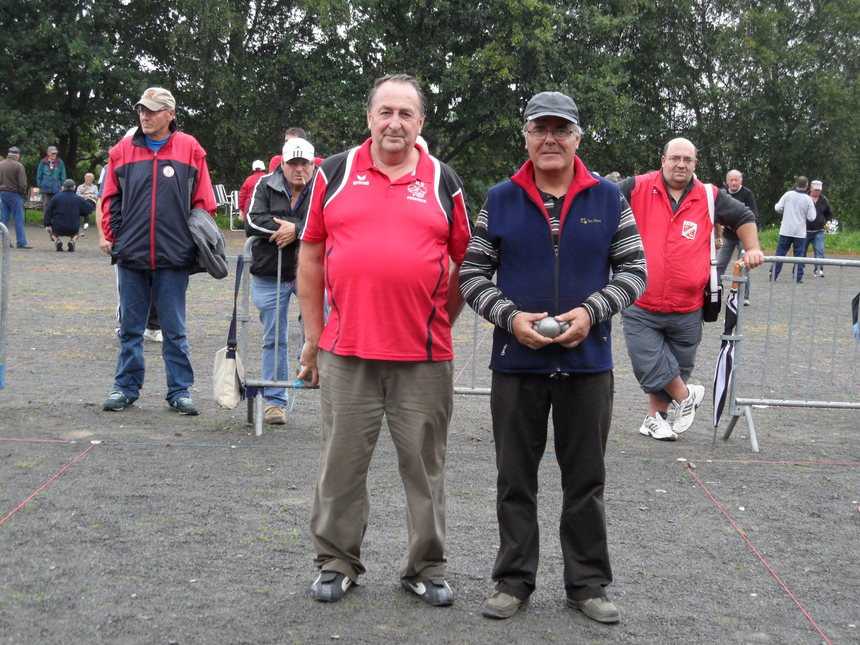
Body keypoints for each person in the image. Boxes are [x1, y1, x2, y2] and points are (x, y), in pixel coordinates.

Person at [459, 91, 647, 624]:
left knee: (585, 481)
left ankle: (587, 584)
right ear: (525, 137)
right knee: (514, 479)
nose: (550, 139)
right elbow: (471, 274)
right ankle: (513, 581)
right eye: (539, 129)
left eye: (560, 130)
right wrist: (511, 317)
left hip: (588, 364)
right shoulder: (499, 198)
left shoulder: (610, 198)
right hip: (517, 365)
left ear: (577, 137)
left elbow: (635, 272)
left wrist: (591, 312)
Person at [297, 74, 472, 606]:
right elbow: (310, 256)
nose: (395, 122)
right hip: (346, 349)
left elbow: (466, 262)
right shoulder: (334, 171)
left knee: (425, 469)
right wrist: (313, 336)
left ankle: (426, 566)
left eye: (407, 114)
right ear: (369, 117)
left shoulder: (444, 180)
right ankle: (337, 561)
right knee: (341, 464)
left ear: (421, 123)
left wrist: (439, 317)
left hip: (422, 356)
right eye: (386, 111)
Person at [619, 138, 764, 441]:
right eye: (675, 158)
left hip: (689, 304)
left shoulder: (710, 196)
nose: (681, 164)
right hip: (642, 300)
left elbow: (744, 217)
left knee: (677, 364)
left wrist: (752, 248)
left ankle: (654, 419)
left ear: (695, 164)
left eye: (688, 159)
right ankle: (687, 397)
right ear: (663, 160)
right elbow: (599, 209)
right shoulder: (636, 187)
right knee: (649, 361)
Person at [100, 87, 216, 415]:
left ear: (170, 114)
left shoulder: (190, 148)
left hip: (173, 256)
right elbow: (110, 198)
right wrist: (116, 237)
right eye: (142, 110)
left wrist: (196, 244)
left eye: (152, 110)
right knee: (130, 328)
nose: (145, 116)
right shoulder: (122, 150)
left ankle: (179, 391)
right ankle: (125, 388)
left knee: (174, 329)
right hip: (131, 255)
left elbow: (204, 202)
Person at [245, 138, 316, 425]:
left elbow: (331, 218)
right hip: (269, 270)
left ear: (313, 164)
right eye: (293, 163)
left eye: (304, 163)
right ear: (282, 164)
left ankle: (315, 371)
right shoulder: (264, 184)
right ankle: (275, 402)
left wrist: (296, 229)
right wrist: (296, 227)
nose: (299, 169)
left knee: (323, 323)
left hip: (310, 270)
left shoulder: (322, 185)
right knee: (273, 337)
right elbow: (252, 220)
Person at [717, 169, 758, 305]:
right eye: (731, 180)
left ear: (741, 181)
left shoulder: (747, 194)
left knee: (744, 265)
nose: (734, 182)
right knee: (719, 264)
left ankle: (744, 296)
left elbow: (752, 215)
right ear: (727, 181)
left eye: (736, 180)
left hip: (742, 237)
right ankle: (715, 291)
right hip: (728, 236)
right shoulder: (722, 193)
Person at [772, 176, 816, 283]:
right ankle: (798, 277)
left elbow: (777, 207)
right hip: (799, 231)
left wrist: (785, 212)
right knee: (799, 255)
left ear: (796, 184)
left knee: (780, 253)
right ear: (807, 186)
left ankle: (774, 274)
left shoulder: (788, 194)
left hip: (786, 229)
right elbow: (812, 217)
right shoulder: (808, 199)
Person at [43, 178, 94, 251]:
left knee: (51, 231)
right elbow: (90, 208)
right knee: (76, 232)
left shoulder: (56, 197)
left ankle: (56, 240)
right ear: (74, 187)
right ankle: (72, 240)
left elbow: (49, 211)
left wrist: (47, 224)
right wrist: (81, 212)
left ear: (63, 187)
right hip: (73, 227)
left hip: (58, 227)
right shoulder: (78, 198)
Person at [0, 145, 32, 248]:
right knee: (18, 219)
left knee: (4, 219)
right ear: (17, 156)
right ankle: (21, 242)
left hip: (2, 194)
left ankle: (5, 242)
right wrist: (21, 193)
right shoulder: (19, 166)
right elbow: (22, 183)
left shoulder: (1, 165)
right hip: (14, 194)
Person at [805, 180, 833, 278]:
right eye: (816, 190)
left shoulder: (824, 200)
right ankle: (798, 269)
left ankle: (819, 270)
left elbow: (829, 214)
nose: (817, 192)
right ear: (811, 189)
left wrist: (828, 222)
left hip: (819, 230)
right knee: (801, 251)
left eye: (819, 190)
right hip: (804, 230)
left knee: (820, 250)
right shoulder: (804, 197)